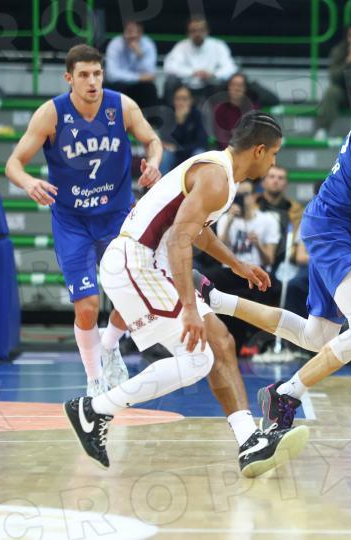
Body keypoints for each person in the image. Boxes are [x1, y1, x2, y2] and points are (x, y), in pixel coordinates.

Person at [64, 111, 309, 477]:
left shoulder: (219, 174)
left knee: (221, 341)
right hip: (137, 263)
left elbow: (197, 231)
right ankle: (94, 410)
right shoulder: (216, 178)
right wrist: (191, 308)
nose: (274, 162)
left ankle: (249, 442)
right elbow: (180, 239)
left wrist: (237, 264)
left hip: (147, 265)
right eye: (273, 154)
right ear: (259, 150)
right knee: (197, 359)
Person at [194, 80, 351, 433]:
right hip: (333, 226)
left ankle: (214, 299)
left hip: (346, 229)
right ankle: (286, 394)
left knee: (317, 338)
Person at [5, 45, 163, 397]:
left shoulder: (122, 106)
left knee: (133, 294)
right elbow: (13, 163)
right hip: (72, 220)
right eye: (84, 75)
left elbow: (153, 140)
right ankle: (94, 380)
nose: (92, 82)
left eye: (97, 74)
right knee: (88, 306)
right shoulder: (51, 114)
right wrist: (28, 182)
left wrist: (153, 162)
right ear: (69, 78)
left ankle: (110, 345)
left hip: (117, 215)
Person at [211, 179, 281, 353]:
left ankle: (251, 341)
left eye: (245, 195)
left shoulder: (268, 220)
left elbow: (269, 259)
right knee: (207, 278)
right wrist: (229, 223)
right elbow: (218, 250)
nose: (242, 199)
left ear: (254, 196)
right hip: (230, 271)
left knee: (265, 286)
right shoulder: (225, 219)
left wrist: (258, 245)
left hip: (257, 272)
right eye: (238, 195)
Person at [163, 16, 237, 104]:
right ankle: (171, 111)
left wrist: (213, 74)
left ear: (207, 31)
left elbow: (230, 67)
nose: (197, 34)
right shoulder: (181, 46)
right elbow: (169, 67)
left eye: (201, 30)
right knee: (170, 82)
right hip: (186, 85)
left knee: (228, 82)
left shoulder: (218, 45)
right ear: (188, 33)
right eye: (193, 30)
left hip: (210, 85)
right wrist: (192, 73)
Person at [257, 165, 304, 269]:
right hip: (255, 262)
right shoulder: (251, 207)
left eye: (280, 178)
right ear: (263, 182)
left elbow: (299, 242)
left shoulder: (296, 210)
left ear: (286, 184)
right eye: (272, 176)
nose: (276, 181)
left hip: (286, 266)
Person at [104, 20, 158, 109]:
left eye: (136, 32)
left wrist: (140, 55)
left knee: (150, 88)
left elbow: (150, 75)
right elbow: (111, 75)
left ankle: (150, 118)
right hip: (119, 84)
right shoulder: (115, 44)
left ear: (141, 33)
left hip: (139, 86)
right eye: (129, 31)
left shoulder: (148, 44)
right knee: (108, 88)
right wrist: (138, 77)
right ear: (124, 32)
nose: (132, 35)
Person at [160, 85, 208, 174]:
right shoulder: (169, 115)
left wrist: (179, 149)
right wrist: (179, 123)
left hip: (191, 153)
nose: (181, 103)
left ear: (191, 100)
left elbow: (202, 143)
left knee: (199, 153)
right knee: (164, 155)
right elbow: (165, 141)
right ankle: (162, 181)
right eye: (178, 99)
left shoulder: (198, 116)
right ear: (173, 100)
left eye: (184, 99)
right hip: (174, 155)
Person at [214, 73, 259, 149]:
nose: (236, 88)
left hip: (248, 150)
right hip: (226, 151)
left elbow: (254, 135)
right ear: (228, 87)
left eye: (240, 85)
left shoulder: (252, 108)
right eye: (233, 85)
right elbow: (221, 136)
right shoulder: (220, 108)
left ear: (245, 88)